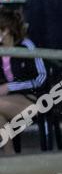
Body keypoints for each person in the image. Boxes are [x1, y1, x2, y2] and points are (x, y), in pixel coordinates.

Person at [0, 9, 47, 154]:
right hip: (6, 101)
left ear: (5, 30)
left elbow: (42, 78)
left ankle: (10, 155)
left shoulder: (26, 45)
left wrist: (10, 86)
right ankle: (10, 156)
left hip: (33, 100)